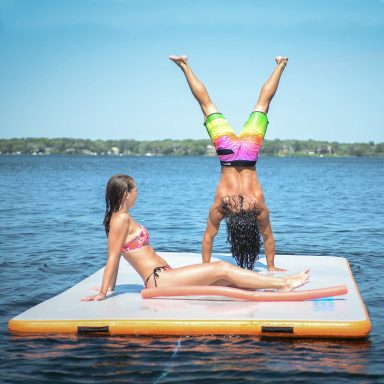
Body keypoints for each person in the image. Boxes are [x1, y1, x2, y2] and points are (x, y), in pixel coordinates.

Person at [81, 174, 309, 301]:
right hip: (160, 280)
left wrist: (110, 288)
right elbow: (113, 257)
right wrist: (104, 292)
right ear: (125, 193)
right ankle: (283, 285)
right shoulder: (120, 219)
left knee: (232, 282)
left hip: (165, 276)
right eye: (135, 190)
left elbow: (119, 255)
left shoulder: (122, 218)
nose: (137, 194)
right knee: (221, 268)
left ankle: (274, 286)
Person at [169, 54, 288, 271]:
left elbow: (267, 238)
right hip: (227, 155)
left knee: (262, 104)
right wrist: (270, 268)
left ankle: (281, 64)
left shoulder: (257, 207)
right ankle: (184, 65)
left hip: (249, 154)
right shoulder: (223, 206)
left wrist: (206, 268)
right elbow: (209, 238)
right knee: (207, 105)